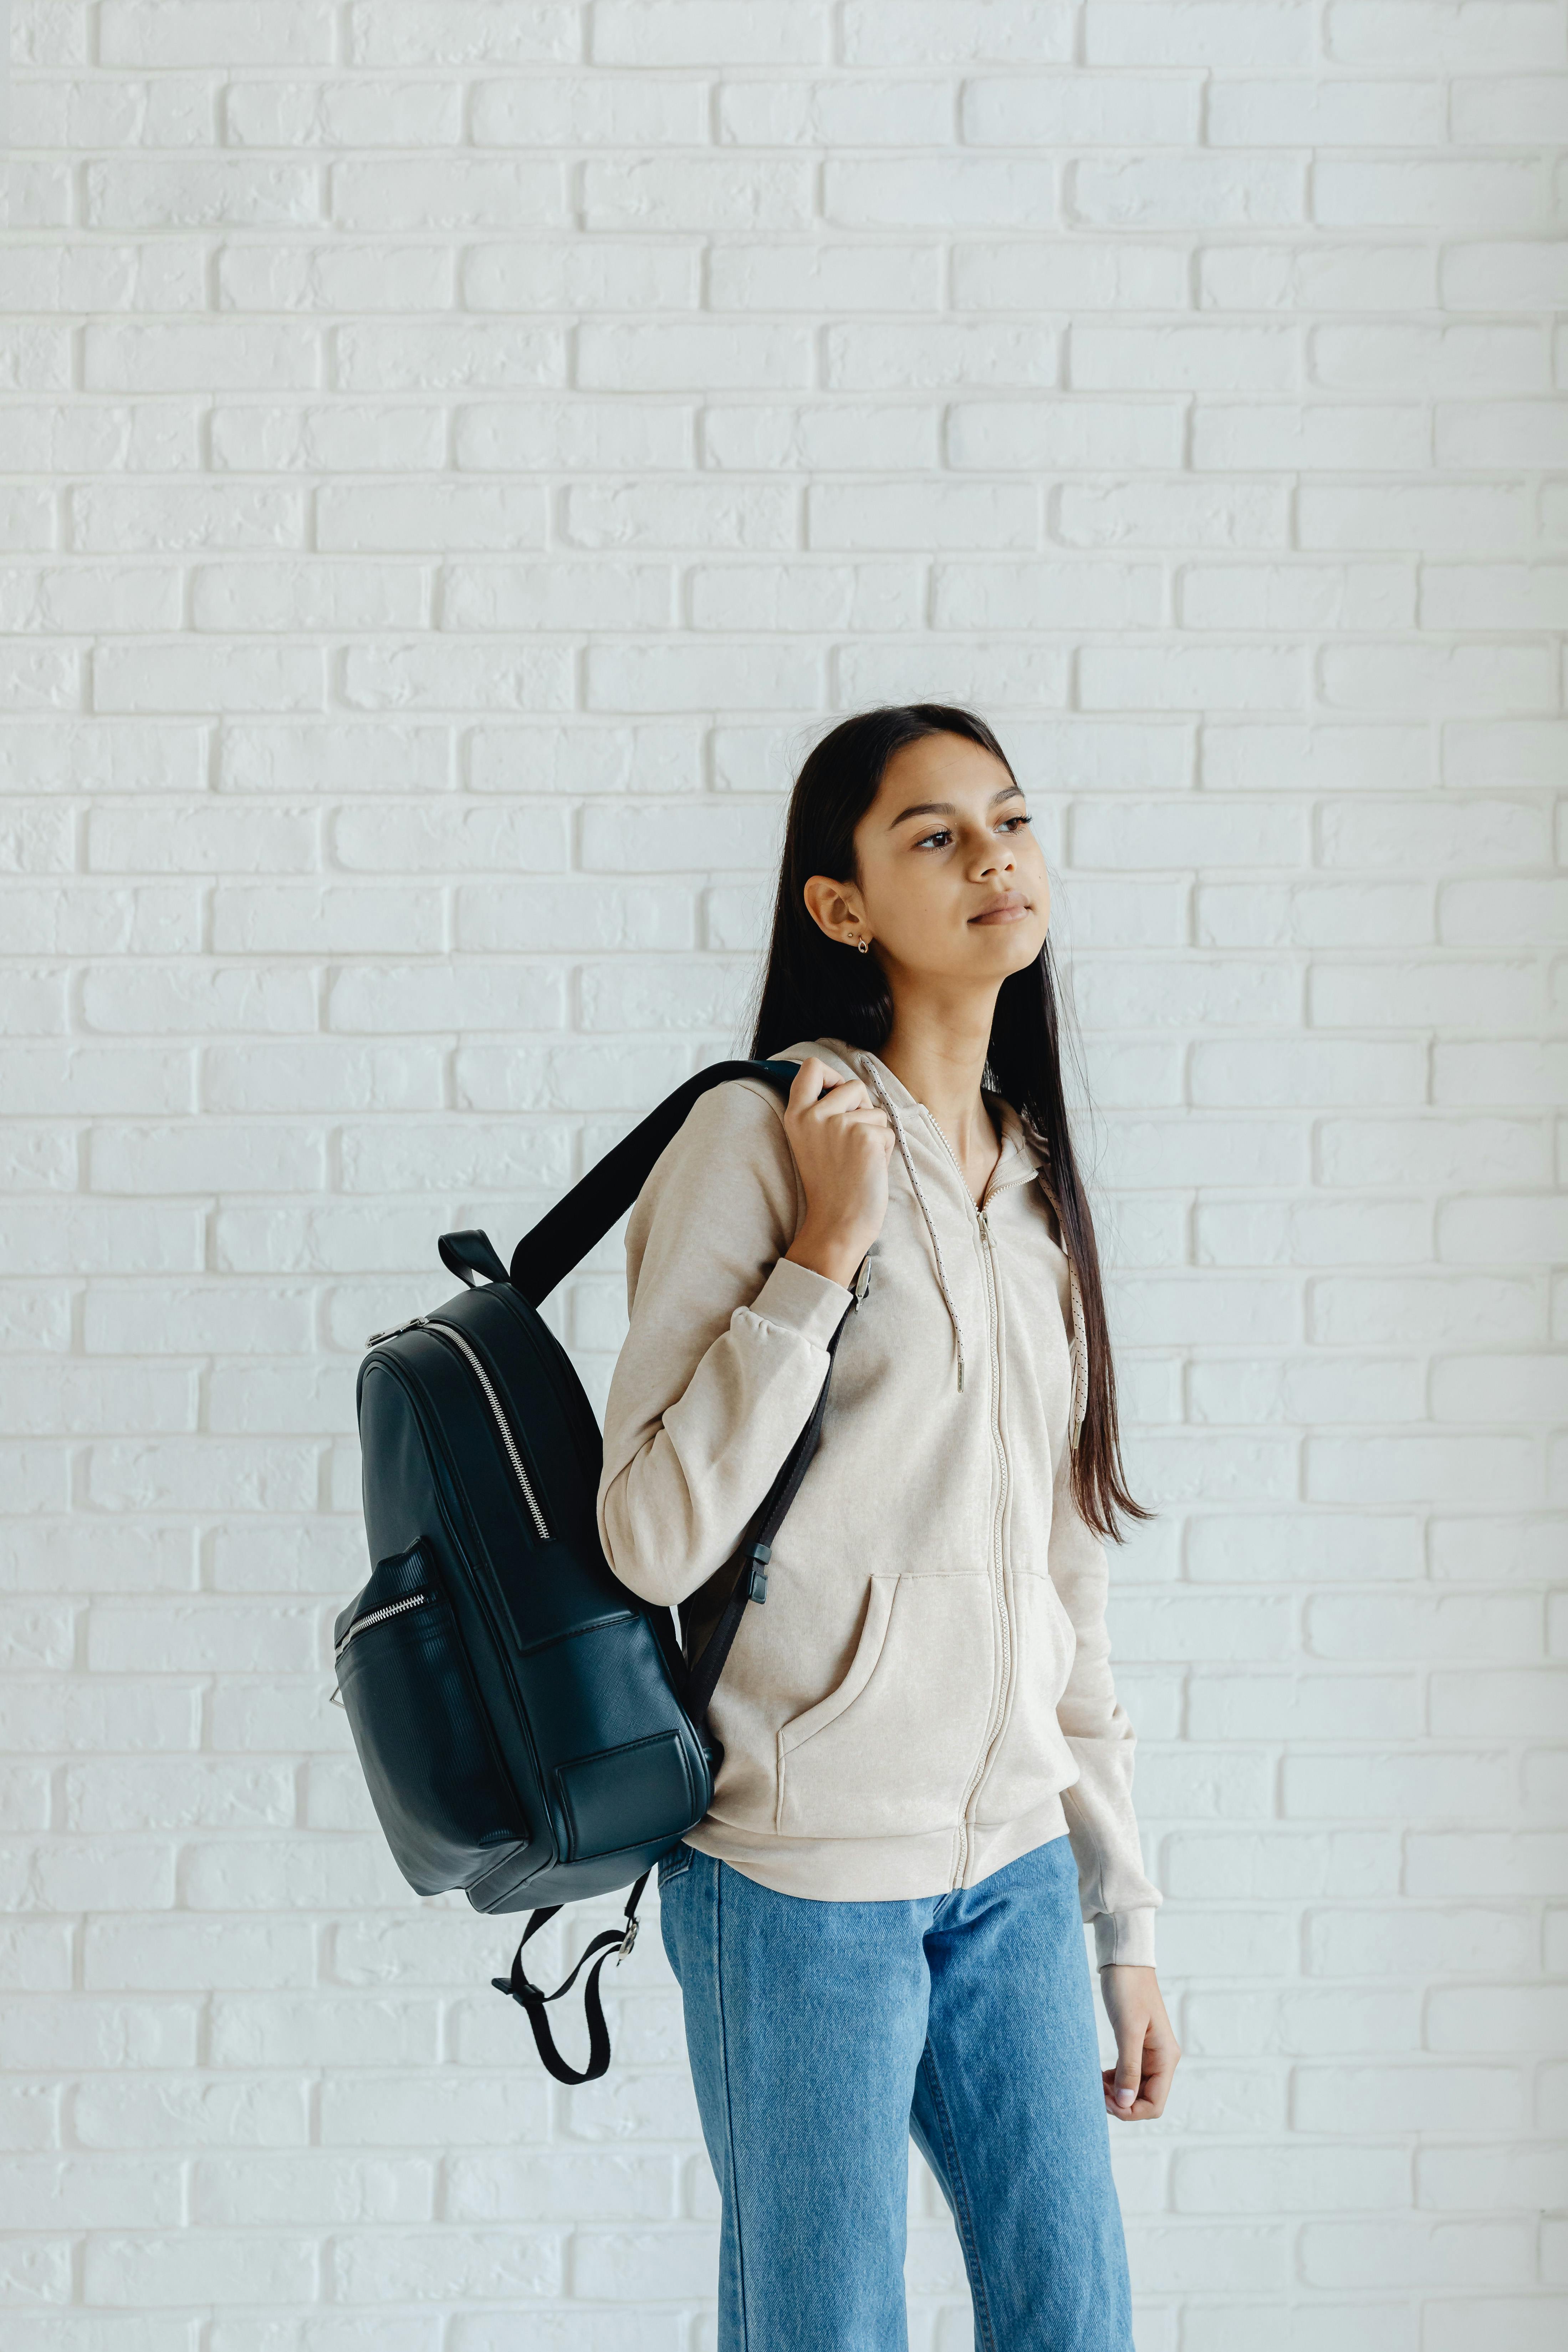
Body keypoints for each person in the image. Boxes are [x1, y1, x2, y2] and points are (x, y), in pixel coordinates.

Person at [595, 705, 1180, 2351]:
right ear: (837, 906)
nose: (993, 853)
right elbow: (648, 1532)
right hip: (794, 1874)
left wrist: (1119, 1921)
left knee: (1073, 2321)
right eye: (931, 833)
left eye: (1006, 817)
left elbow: (1064, 1584)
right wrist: (822, 1251)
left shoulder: (1029, 1174)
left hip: (1005, 1867)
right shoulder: (757, 1136)